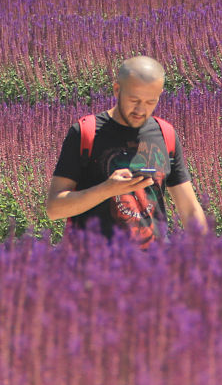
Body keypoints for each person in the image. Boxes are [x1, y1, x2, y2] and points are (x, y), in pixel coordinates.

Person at [46, 55, 209, 246]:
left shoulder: (166, 134)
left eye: (151, 102)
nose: (141, 109)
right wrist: (107, 189)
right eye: (134, 100)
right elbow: (54, 208)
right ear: (117, 90)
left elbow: (189, 210)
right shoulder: (85, 133)